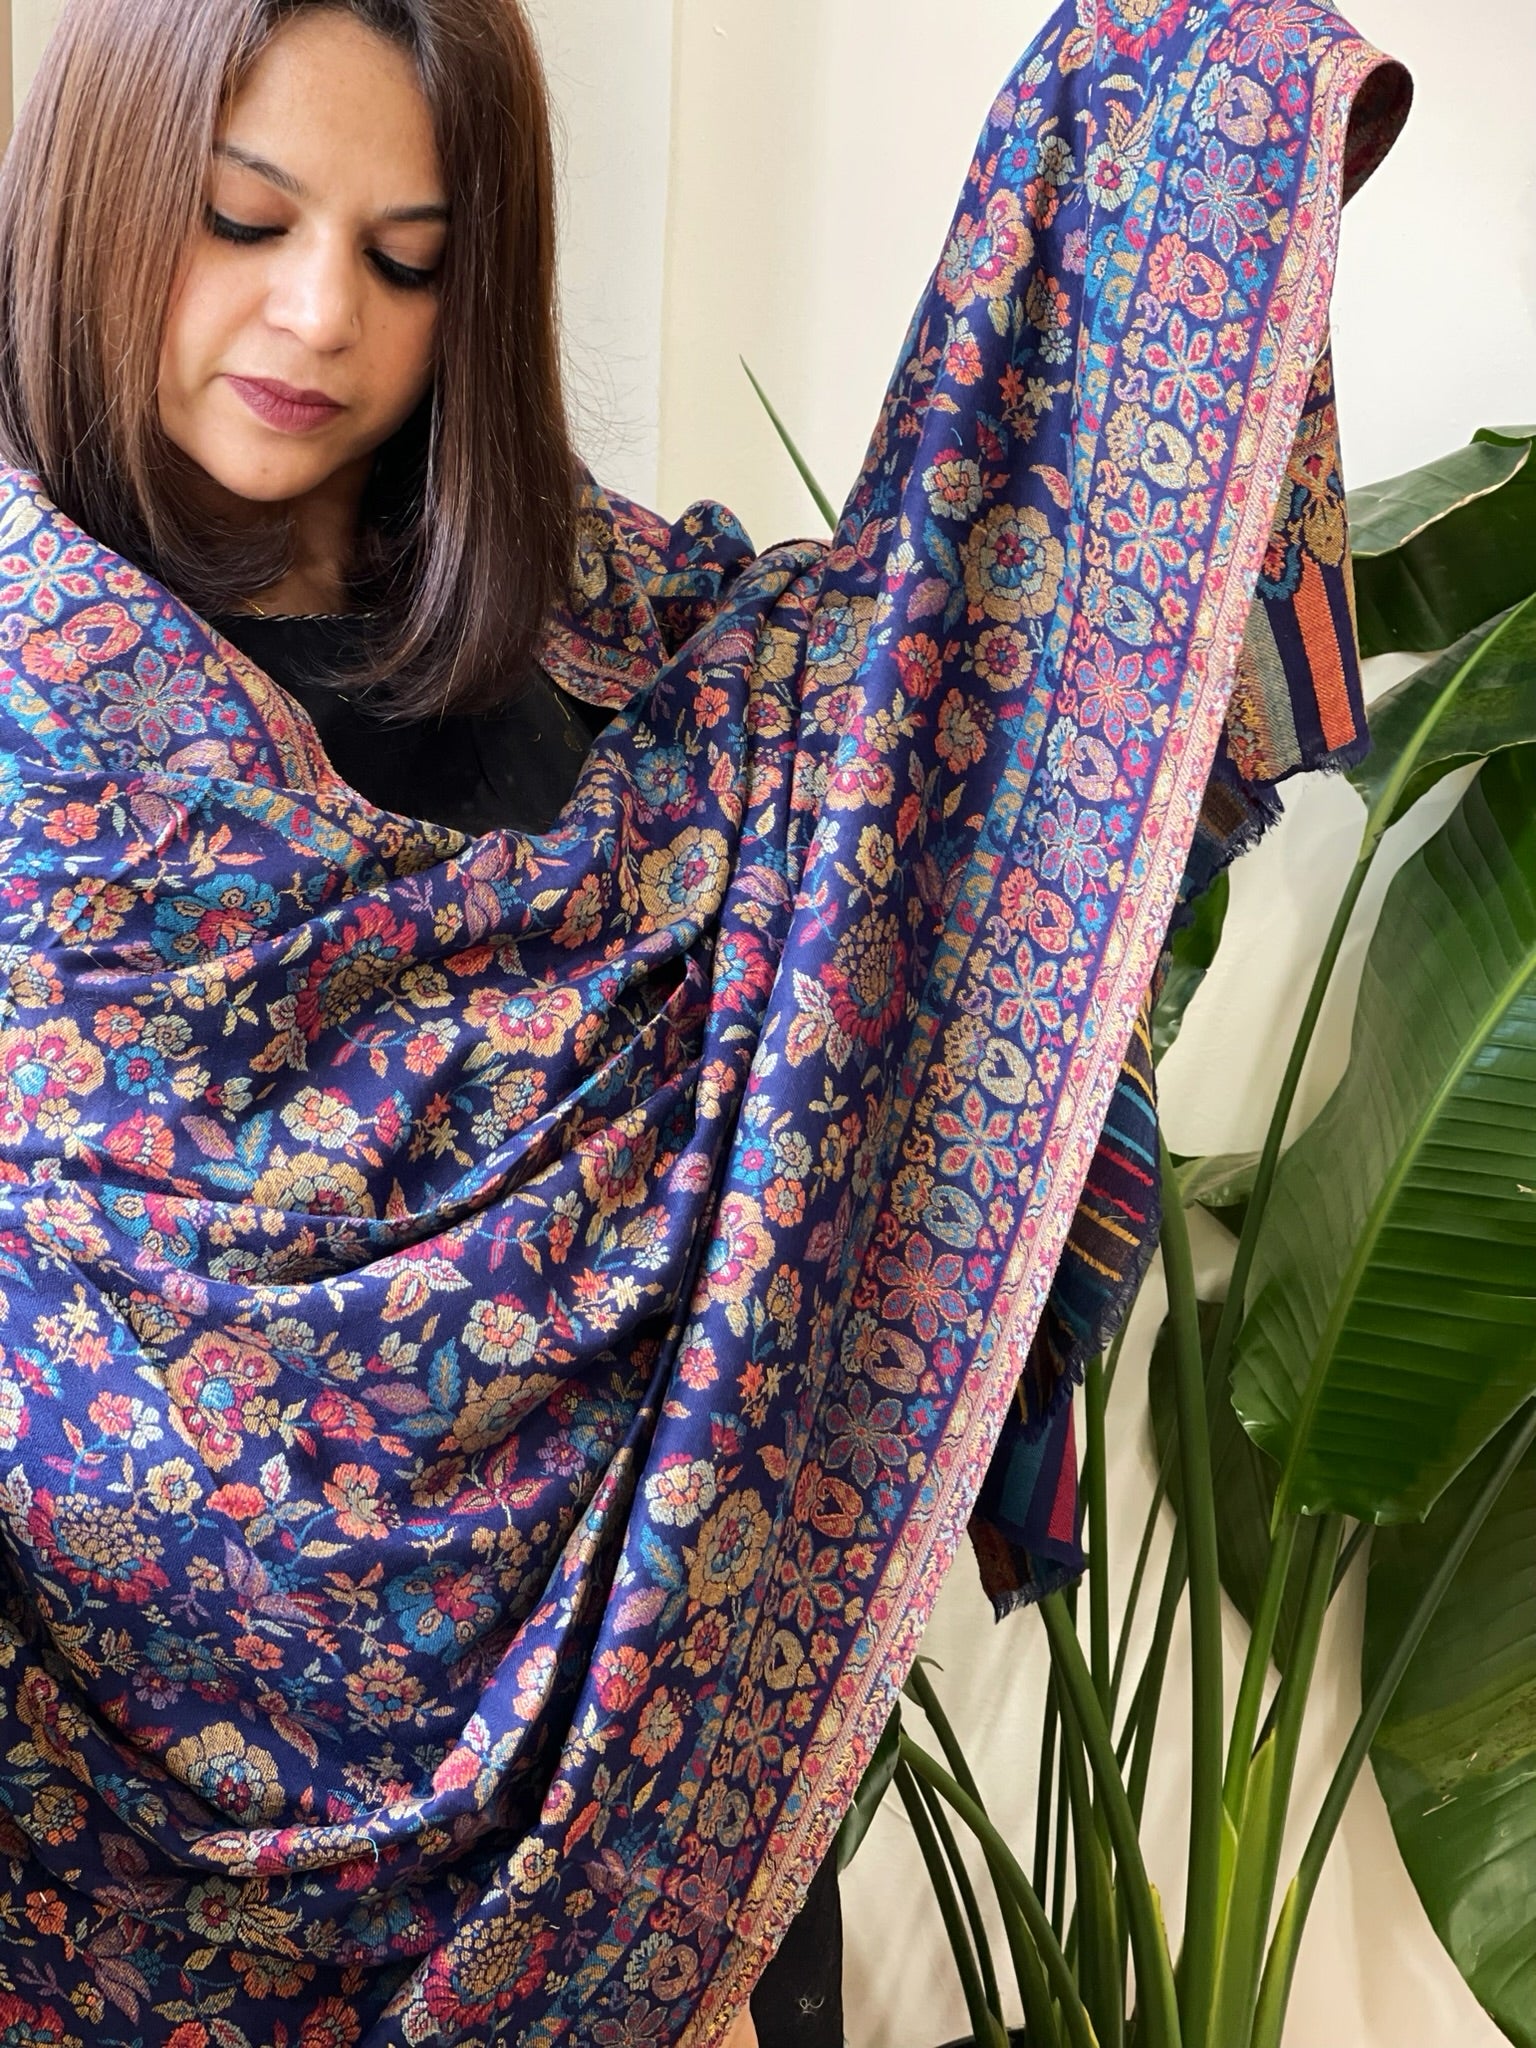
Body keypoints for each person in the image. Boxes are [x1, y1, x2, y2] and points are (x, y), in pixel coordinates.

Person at [0, 1, 1406, 2042]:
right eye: (243, 219)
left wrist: (1158, 133)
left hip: (673, 1888)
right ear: (99, 189)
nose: (318, 315)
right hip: (93, 1899)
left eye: (409, 258)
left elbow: (964, 712)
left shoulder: (638, 655)